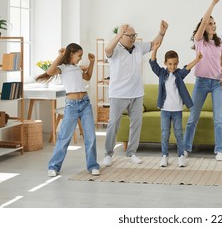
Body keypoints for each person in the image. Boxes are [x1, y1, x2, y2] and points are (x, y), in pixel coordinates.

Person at [102, 21, 168, 167]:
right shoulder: (115, 51)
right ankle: (108, 154)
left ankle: (131, 152)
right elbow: (107, 48)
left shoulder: (138, 47)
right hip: (118, 94)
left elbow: (155, 43)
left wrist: (162, 32)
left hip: (137, 93)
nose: (132, 38)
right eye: (129, 35)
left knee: (136, 123)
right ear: (121, 37)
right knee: (113, 124)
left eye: (134, 35)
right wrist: (119, 34)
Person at [36, 43, 100, 177]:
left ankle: (93, 166)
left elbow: (88, 76)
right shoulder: (62, 68)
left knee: (91, 137)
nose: (80, 58)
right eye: (79, 56)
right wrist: (60, 55)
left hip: (85, 104)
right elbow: (49, 72)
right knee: (64, 137)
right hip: (71, 105)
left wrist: (92, 62)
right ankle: (53, 166)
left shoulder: (77, 68)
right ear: (71, 54)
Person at [183, 0, 222, 161]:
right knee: (192, 117)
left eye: (214, 23)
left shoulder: (220, 43)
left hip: (217, 83)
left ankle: (219, 150)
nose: (212, 25)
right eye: (210, 23)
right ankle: (186, 148)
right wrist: (213, 3)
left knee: (218, 119)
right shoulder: (199, 41)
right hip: (201, 83)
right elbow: (203, 21)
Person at [149, 40, 202, 167]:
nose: (172, 67)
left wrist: (197, 59)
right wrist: (155, 49)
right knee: (165, 134)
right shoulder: (162, 73)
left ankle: (181, 156)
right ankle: (164, 156)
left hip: (177, 110)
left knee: (179, 133)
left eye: (175, 64)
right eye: (170, 64)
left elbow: (187, 68)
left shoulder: (178, 74)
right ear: (165, 63)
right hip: (165, 110)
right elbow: (153, 64)